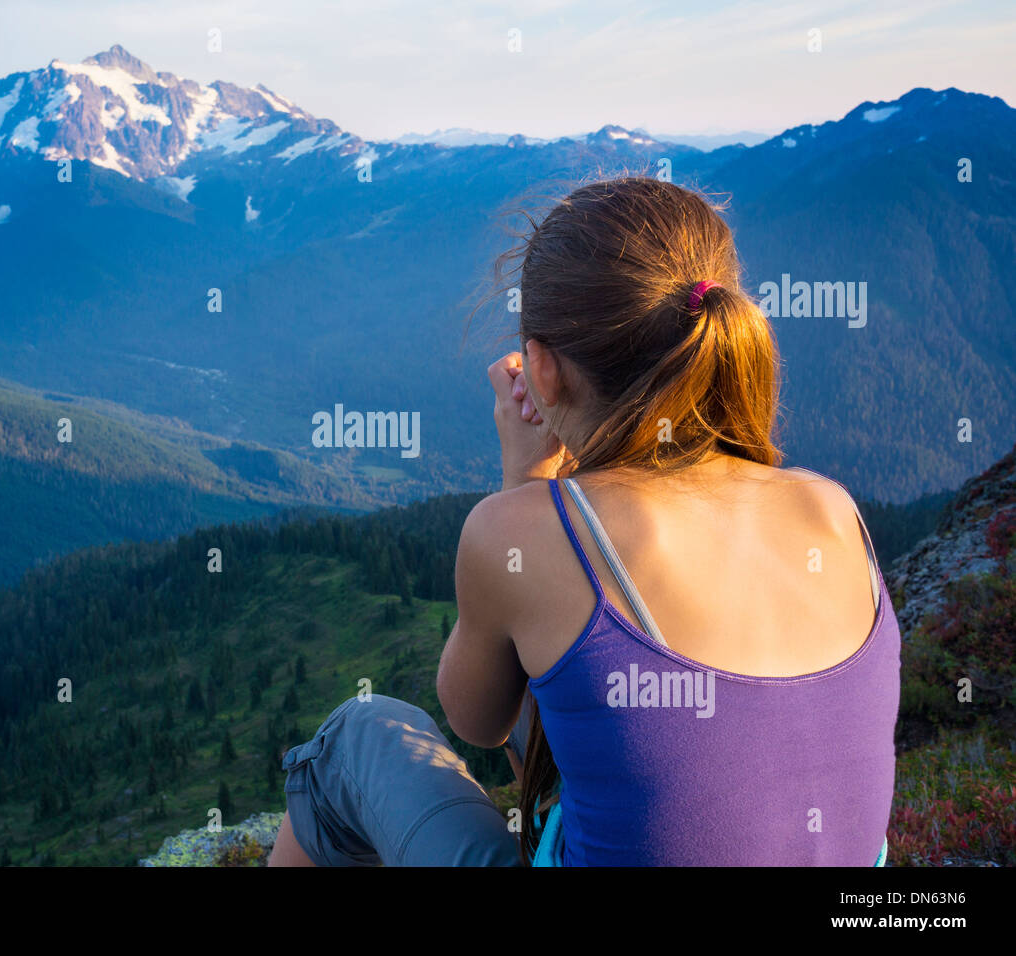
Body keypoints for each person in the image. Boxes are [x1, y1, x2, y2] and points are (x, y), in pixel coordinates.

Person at [268, 177, 900, 867]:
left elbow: (478, 720)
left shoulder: (520, 533)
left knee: (357, 737)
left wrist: (527, 488)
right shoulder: (832, 510)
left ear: (541, 368)